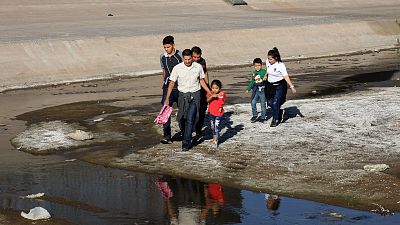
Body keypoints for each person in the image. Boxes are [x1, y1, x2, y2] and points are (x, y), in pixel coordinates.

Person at [164, 49, 211, 151]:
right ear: (183, 58)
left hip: (195, 94)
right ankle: (186, 134)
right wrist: (167, 98)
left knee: (190, 118)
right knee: (182, 118)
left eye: (189, 59)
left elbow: (201, 80)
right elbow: (171, 83)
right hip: (183, 95)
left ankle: (186, 142)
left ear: (191, 58)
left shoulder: (198, 67)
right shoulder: (177, 68)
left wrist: (209, 91)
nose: (187, 61)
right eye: (185, 59)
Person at [265, 47, 296, 127]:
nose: (269, 60)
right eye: (268, 59)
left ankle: (275, 119)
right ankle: (279, 112)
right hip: (269, 85)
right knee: (270, 102)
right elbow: (267, 70)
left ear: (276, 58)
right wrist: (265, 76)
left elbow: (286, 77)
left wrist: (291, 86)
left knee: (276, 102)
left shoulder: (281, 65)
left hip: (279, 85)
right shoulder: (267, 62)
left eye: (271, 59)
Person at [160, 35, 183, 144]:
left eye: (168, 47)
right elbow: (164, 69)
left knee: (183, 110)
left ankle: (184, 131)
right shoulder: (162, 57)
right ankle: (167, 136)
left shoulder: (180, 56)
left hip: (180, 87)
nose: (166, 49)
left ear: (173, 45)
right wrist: (163, 81)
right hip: (167, 87)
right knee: (165, 111)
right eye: (165, 47)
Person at [191, 46, 209, 143]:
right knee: (192, 110)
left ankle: (198, 129)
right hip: (192, 89)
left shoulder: (202, 61)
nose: (197, 59)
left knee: (202, 110)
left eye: (198, 57)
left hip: (202, 88)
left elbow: (205, 72)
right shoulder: (189, 63)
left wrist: (208, 85)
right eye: (195, 57)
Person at [246, 58, 267, 123]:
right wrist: (248, 88)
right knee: (253, 102)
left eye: (259, 65)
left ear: (261, 65)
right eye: (256, 66)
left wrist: (265, 78)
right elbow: (252, 81)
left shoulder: (264, 72)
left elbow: (268, 78)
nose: (257, 67)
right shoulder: (254, 73)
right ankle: (255, 115)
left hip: (262, 91)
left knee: (263, 104)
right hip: (256, 91)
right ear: (254, 66)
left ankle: (263, 117)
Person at [207, 80, 226, 148]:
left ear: (219, 88)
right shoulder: (210, 93)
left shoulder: (221, 94)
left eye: (216, 88)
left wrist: (221, 107)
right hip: (211, 113)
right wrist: (212, 96)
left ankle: (216, 140)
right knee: (212, 127)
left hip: (218, 114)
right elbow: (207, 100)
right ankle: (214, 137)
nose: (214, 90)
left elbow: (222, 101)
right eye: (213, 88)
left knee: (216, 127)